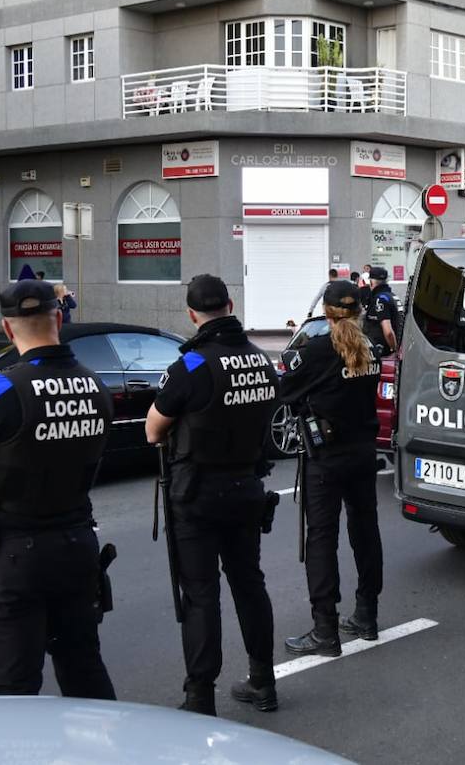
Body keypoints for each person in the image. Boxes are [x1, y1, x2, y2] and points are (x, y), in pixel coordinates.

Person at [0, 279, 115, 699]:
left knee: (14, 687)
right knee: (83, 668)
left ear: (7, 328)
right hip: (76, 545)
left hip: (13, 555)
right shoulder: (95, 385)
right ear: (58, 319)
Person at [145, 274, 281, 715]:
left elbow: (152, 431)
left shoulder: (191, 366)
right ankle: (263, 682)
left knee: (201, 594)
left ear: (191, 314)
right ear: (230, 306)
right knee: (249, 584)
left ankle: (200, 697)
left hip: (198, 494)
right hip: (247, 487)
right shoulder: (260, 359)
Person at [280, 280, 383, 657]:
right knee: (365, 532)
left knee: (322, 539)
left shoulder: (317, 350)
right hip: (363, 453)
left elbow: (286, 391)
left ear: (326, 313)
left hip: (327, 458)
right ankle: (367, 616)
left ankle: (325, 630)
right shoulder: (370, 349)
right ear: (359, 312)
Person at [363, 266, 400, 356]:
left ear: (371, 282)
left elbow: (388, 332)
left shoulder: (380, 300)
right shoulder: (392, 296)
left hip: (383, 353)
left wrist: (394, 350)